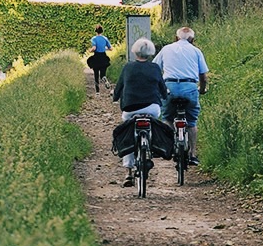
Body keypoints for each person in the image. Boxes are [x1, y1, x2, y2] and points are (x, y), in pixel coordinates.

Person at [111, 37, 166, 186]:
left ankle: (128, 172)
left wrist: (115, 97)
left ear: (135, 51)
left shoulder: (128, 67)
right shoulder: (155, 68)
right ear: (150, 53)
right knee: (153, 123)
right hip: (152, 108)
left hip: (130, 108)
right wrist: (164, 95)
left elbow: (119, 88)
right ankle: (151, 146)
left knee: (129, 133)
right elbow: (162, 89)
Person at [154, 26, 208, 166]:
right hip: (190, 88)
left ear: (176, 37)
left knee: (167, 117)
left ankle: (170, 146)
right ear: (192, 39)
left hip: (169, 88)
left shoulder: (166, 49)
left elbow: (155, 69)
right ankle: (193, 154)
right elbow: (203, 76)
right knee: (191, 122)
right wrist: (201, 90)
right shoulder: (196, 51)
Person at [86, 24, 112, 92]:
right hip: (103, 57)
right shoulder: (105, 38)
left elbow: (94, 48)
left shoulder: (94, 39)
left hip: (96, 57)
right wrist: (104, 48)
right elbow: (110, 48)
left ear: (96, 31)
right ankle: (104, 78)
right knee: (103, 74)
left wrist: (90, 50)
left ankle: (97, 92)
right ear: (102, 31)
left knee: (96, 74)